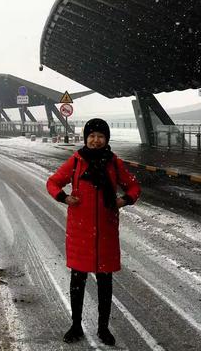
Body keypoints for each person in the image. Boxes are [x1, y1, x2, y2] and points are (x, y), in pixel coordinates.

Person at [46, 118, 141, 346]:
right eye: (91, 136)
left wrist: (123, 200)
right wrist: (65, 197)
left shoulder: (114, 163)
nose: (95, 140)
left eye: (100, 136)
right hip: (80, 232)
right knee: (77, 282)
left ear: (106, 139)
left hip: (106, 232)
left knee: (105, 283)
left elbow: (134, 186)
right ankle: (76, 325)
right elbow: (53, 182)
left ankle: (103, 328)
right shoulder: (76, 161)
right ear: (85, 138)